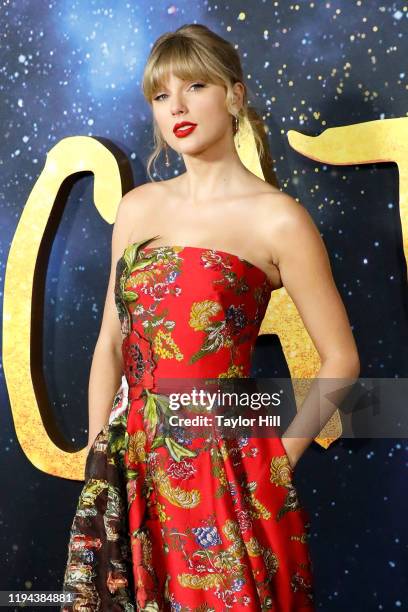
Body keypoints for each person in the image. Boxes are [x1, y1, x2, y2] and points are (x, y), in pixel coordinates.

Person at [61, 23, 360, 611]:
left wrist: (275, 468)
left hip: (227, 474)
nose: (177, 107)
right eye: (159, 94)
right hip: (132, 467)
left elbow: (342, 361)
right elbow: (110, 346)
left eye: (195, 86)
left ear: (236, 95)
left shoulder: (279, 219)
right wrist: (102, 466)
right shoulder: (137, 208)